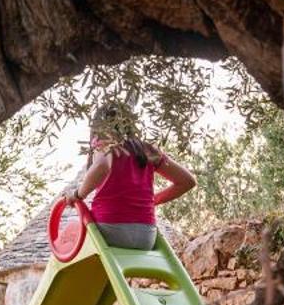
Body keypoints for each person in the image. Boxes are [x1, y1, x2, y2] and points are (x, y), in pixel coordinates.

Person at [61, 101, 197, 250]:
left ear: (99, 125)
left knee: (68, 239)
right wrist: (153, 201)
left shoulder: (104, 144)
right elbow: (187, 181)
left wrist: (77, 195)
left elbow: (101, 166)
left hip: (110, 230)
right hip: (147, 236)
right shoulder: (148, 150)